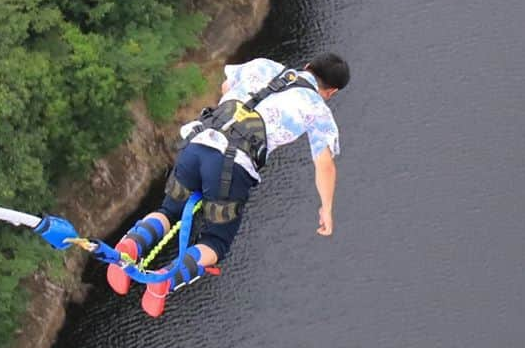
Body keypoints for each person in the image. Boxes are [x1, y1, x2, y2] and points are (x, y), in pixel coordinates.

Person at [108, 52, 350, 310]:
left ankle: (129, 246)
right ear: (331, 92)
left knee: (169, 211)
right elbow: (324, 164)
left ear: (307, 66)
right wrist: (326, 208)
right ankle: (162, 281)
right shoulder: (316, 109)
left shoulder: (264, 65)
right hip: (232, 167)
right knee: (216, 241)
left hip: (198, 143)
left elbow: (226, 87)